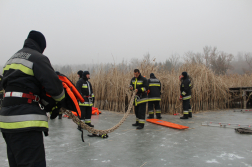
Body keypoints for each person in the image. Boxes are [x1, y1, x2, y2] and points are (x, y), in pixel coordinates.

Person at [0, 30, 65, 167]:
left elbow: (21, 87)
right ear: (41, 45)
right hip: (25, 123)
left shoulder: (11, 60)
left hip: (6, 122)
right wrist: (58, 103)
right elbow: (56, 89)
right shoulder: (38, 58)